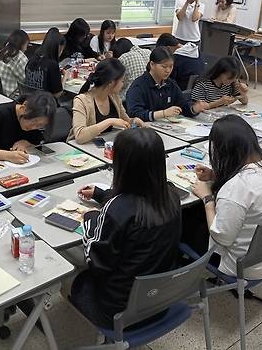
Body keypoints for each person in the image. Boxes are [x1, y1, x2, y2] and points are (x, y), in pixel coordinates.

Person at [73, 128, 181, 328]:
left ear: (121, 165)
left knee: (74, 269)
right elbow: (135, 199)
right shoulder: (172, 196)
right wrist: (102, 194)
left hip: (118, 313)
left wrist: (89, 218)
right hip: (158, 302)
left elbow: (96, 262)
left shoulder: (118, 210)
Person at [191, 115, 262, 280]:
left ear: (224, 151)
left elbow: (222, 237)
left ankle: (178, 282)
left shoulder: (237, 187)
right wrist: (216, 175)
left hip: (243, 266)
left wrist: (208, 199)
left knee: (187, 223)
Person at [0, 91, 57, 164]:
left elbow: (39, 140)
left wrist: (26, 143)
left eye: (40, 125)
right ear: (23, 108)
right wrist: (8, 155)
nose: (34, 127)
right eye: (33, 122)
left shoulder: (39, 122)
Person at [67, 59, 143, 144]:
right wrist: (109, 121)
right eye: (121, 81)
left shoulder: (114, 97)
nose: (123, 84)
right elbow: (80, 136)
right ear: (111, 82)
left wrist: (133, 121)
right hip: (82, 149)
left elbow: (125, 120)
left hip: (103, 146)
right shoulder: (81, 100)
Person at [126, 47, 210, 122]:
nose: (168, 70)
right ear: (152, 64)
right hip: (144, 129)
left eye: (171, 66)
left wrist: (194, 108)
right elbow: (135, 114)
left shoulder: (170, 83)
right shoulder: (139, 86)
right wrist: (163, 113)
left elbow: (182, 105)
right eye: (164, 66)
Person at [25, 28, 69, 97]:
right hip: (46, 104)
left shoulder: (32, 58)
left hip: (31, 101)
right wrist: (65, 77)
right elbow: (57, 94)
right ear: (59, 47)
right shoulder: (52, 65)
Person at [0, 29, 30, 98]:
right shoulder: (19, 57)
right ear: (22, 44)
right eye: (26, 45)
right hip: (10, 98)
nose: (26, 49)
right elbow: (28, 80)